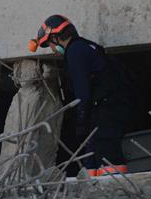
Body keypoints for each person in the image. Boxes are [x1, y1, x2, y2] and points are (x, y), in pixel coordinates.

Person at [28, 15, 133, 177]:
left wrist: (81, 119)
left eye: (50, 44)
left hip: (106, 112)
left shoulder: (75, 51)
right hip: (108, 110)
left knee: (109, 161)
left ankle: (116, 193)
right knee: (91, 161)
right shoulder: (85, 46)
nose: (53, 50)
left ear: (56, 37)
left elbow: (82, 90)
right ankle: (93, 194)